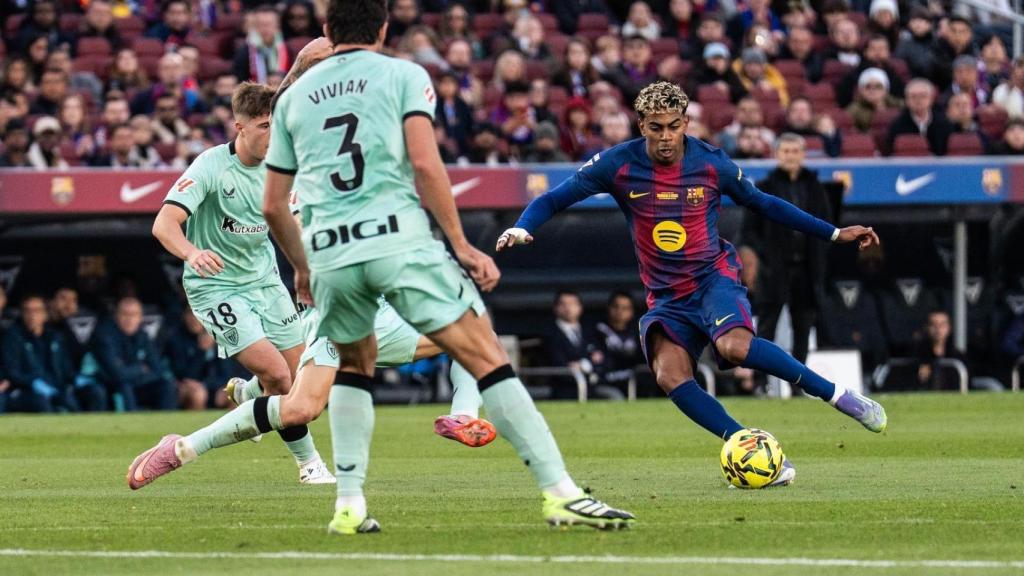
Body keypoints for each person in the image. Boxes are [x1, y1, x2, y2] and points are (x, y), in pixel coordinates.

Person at [128, 3, 633, 534]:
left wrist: (302, 269)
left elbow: (274, 204)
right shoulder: (403, 75)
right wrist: (461, 243)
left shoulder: (295, 101)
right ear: (385, 30)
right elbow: (424, 163)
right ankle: (558, 490)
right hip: (392, 244)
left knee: (312, 398)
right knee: (481, 342)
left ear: (327, 31)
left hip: (331, 260)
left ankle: (335, 501)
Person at [497, 81, 888, 488]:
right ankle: (747, 445)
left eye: (672, 126)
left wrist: (833, 233)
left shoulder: (711, 163)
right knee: (669, 375)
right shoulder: (617, 164)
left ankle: (836, 394)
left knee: (733, 347)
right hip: (666, 295)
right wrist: (522, 227)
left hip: (712, 277)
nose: (665, 137)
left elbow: (766, 204)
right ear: (641, 125)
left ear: (685, 122)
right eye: (655, 127)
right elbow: (554, 198)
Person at [145, 79, 333, 484]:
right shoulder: (210, 166)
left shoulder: (283, 167)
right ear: (240, 127)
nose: (272, 134)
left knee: (300, 376)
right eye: (264, 126)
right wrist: (192, 252)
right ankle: (309, 465)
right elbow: (164, 224)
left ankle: (248, 395)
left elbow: (296, 224)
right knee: (280, 379)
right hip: (215, 287)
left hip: (265, 282)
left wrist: (312, 269)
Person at [740, 133, 833, 367]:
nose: (790, 156)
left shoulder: (815, 188)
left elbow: (827, 226)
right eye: (785, 151)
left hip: (806, 269)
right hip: (774, 270)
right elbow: (749, 230)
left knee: (802, 327)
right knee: (766, 326)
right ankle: (761, 381)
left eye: (795, 151)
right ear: (776, 154)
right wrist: (766, 254)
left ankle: (799, 382)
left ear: (803, 155)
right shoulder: (764, 188)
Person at [1, 295, 105, 412]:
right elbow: (12, 372)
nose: (32, 315)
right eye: (27, 310)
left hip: (57, 386)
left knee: (94, 391)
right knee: (42, 402)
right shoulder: (13, 338)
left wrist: (76, 378)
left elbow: (66, 368)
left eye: (36, 310)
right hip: (27, 390)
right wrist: (32, 382)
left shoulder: (55, 336)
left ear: (45, 314)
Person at [543, 290, 621, 400]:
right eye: (563, 304)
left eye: (572, 304)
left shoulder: (591, 331)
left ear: (580, 307)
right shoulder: (549, 334)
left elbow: (606, 361)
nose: (568, 308)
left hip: (593, 390)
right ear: (555, 308)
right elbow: (557, 364)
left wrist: (585, 365)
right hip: (562, 393)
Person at [595, 291, 644, 393]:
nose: (619, 311)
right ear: (608, 308)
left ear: (632, 312)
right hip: (607, 379)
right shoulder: (598, 330)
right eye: (616, 306)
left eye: (625, 308)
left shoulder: (638, 332)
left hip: (634, 379)